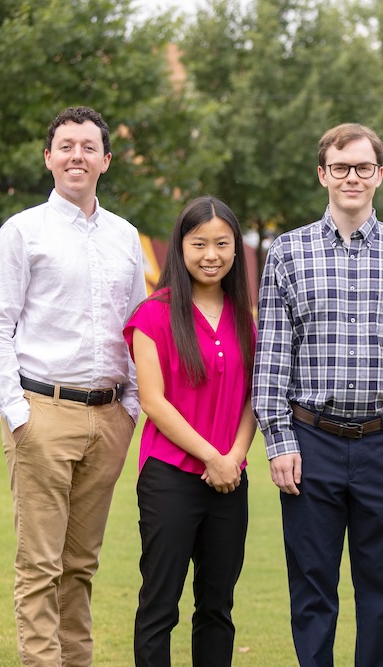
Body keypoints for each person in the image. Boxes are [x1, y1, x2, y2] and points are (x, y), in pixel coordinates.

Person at [252, 122, 383, 667]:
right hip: (311, 443)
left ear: (379, 175)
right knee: (312, 591)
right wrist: (278, 439)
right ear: (323, 175)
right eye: (340, 167)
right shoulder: (287, 253)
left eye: (362, 167)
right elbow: (273, 358)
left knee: (380, 594)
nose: (351, 177)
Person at [0, 106, 145, 665]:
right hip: (42, 412)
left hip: (110, 418)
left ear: (106, 160)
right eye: (66, 146)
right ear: (48, 157)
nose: (78, 155)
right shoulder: (23, 231)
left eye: (88, 146)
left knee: (81, 566)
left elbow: (138, 327)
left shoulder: (125, 236)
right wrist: (17, 411)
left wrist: (133, 407)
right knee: (40, 566)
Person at [125, 196, 257, 666]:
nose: (211, 254)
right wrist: (212, 457)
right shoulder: (154, 315)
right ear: (179, 248)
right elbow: (153, 401)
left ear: (235, 251)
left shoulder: (246, 320)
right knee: (160, 605)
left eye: (222, 243)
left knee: (217, 607)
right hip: (170, 478)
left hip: (229, 480)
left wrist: (234, 457)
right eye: (199, 243)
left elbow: (252, 399)